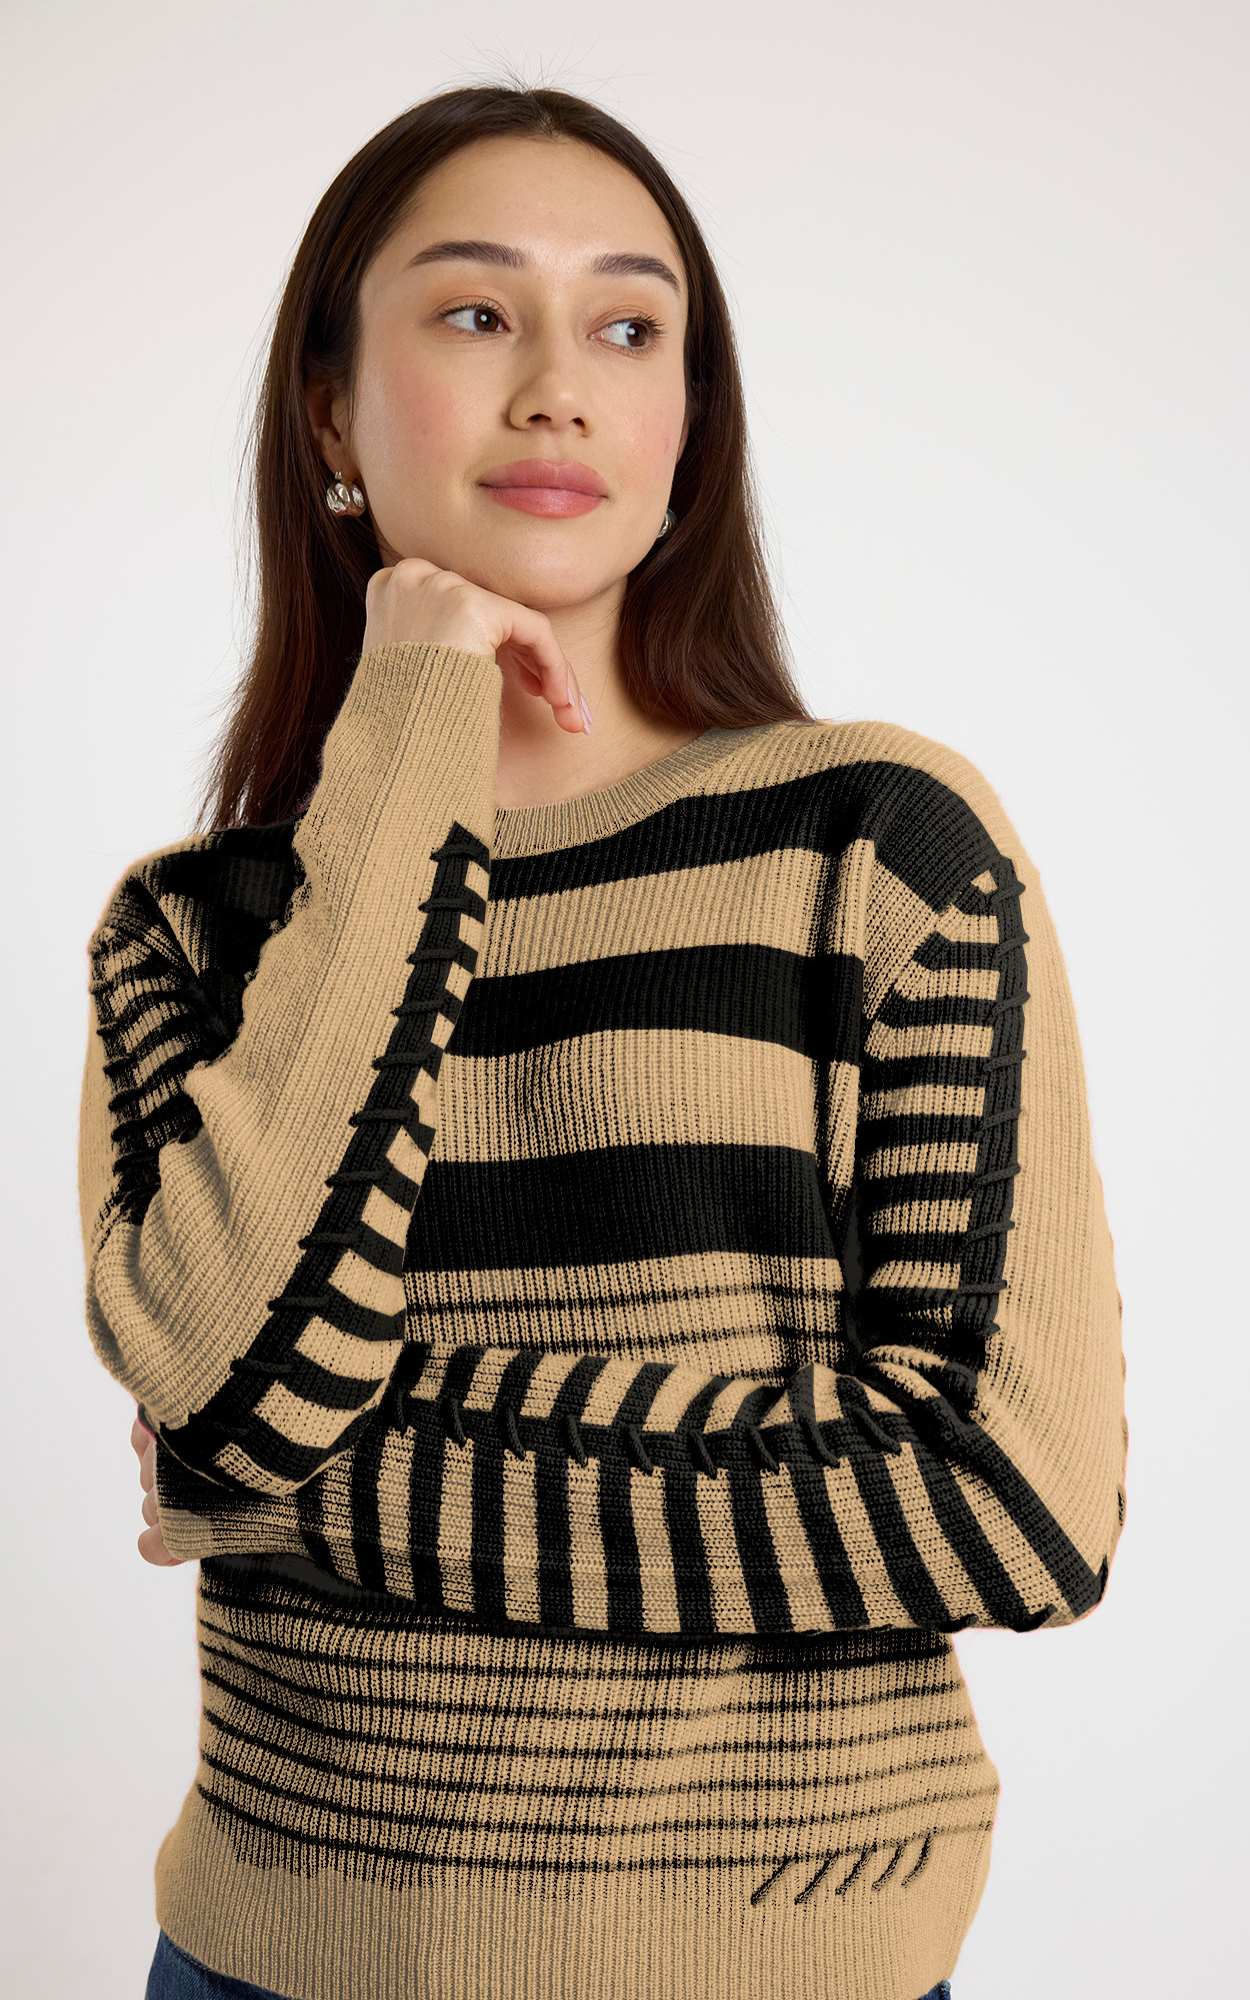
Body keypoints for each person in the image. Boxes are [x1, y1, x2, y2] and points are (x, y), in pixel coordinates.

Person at [78, 84, 1128, 2000]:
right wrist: (411, 736)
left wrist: (286, 1482)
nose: (559, 385)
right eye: (476, 313)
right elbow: (229, 1376)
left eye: (630, 328)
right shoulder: (197, 928)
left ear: (687, 424)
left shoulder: (879, 846)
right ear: (331, 408)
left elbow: (1011, 1499)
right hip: (264, 1963)